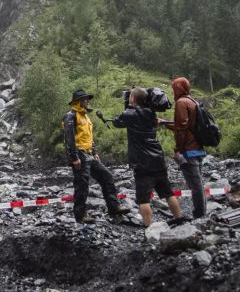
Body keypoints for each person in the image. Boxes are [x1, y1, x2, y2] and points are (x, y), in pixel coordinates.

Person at [98, 87, 185, 227]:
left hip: (142, 162)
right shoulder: (152, 113)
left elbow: (117, 122)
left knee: (143, 199)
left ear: (132, 98)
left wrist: (127, 106)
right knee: (168, 192)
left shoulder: (129, 114)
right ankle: (179, 218)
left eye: (130, 96)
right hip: (157, 158)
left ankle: (149, 227)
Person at [63, 88, 123, 224]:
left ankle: (114, 207)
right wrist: (74, 157)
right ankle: (80, 215)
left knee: (107, 176)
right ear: (78, 102)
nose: (88, 101)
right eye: (85, 99)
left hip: (89, 153)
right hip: (79, 154)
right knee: (82, 184)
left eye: (88, 99)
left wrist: (95, 152)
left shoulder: (85, 116)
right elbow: (69, 138)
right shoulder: (70, 116)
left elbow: (90, 137)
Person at [160, 77, 207, 219]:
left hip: (188, 150)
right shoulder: (193, 101)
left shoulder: (181, 102)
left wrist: (178, 149)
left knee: (195, 185)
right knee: (198, 183)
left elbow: (181, 129)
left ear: (178, 89)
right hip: (198, 148)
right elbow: (185, 125)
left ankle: (199, 215)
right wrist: (165, 123)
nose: (173, 91)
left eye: (174, 88)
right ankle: (201, 213)